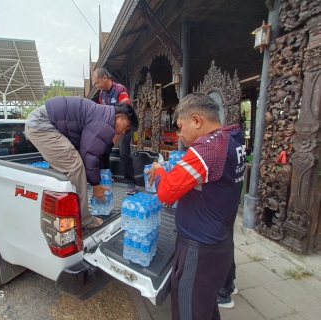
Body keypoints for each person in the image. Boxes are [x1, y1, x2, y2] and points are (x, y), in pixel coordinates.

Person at [147, 93, 245, 320]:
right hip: (218, 239)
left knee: (188, 308)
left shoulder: (208, 149)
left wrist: (161, 170)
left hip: (199, 246)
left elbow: (166, 192)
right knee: (205, 307)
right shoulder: (232, 138)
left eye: (181, 127)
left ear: (197, 120)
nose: (180, 135)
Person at [25, 96, 138, 229]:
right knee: (75, 166)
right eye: (126, 127)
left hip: (43, 122)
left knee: (64, 166)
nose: (124, 132)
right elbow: (89, 156)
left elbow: (89, 150)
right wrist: (96, 185)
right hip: (42, 125)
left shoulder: (104, 115)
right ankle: (84, 219)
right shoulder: (105, 123)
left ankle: (55, 208)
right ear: (118, 116)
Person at [93, 68, 137, 195]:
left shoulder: (120, 90)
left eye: (97, 82)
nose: (97, 86)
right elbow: (103, 114)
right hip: (111, 126)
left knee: (124, 152)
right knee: (103, 149)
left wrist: (118, 133)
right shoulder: (101, 94)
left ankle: (131, 182)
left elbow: (126, 112)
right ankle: (106, 175)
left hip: (124, 126)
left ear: (105, 78)